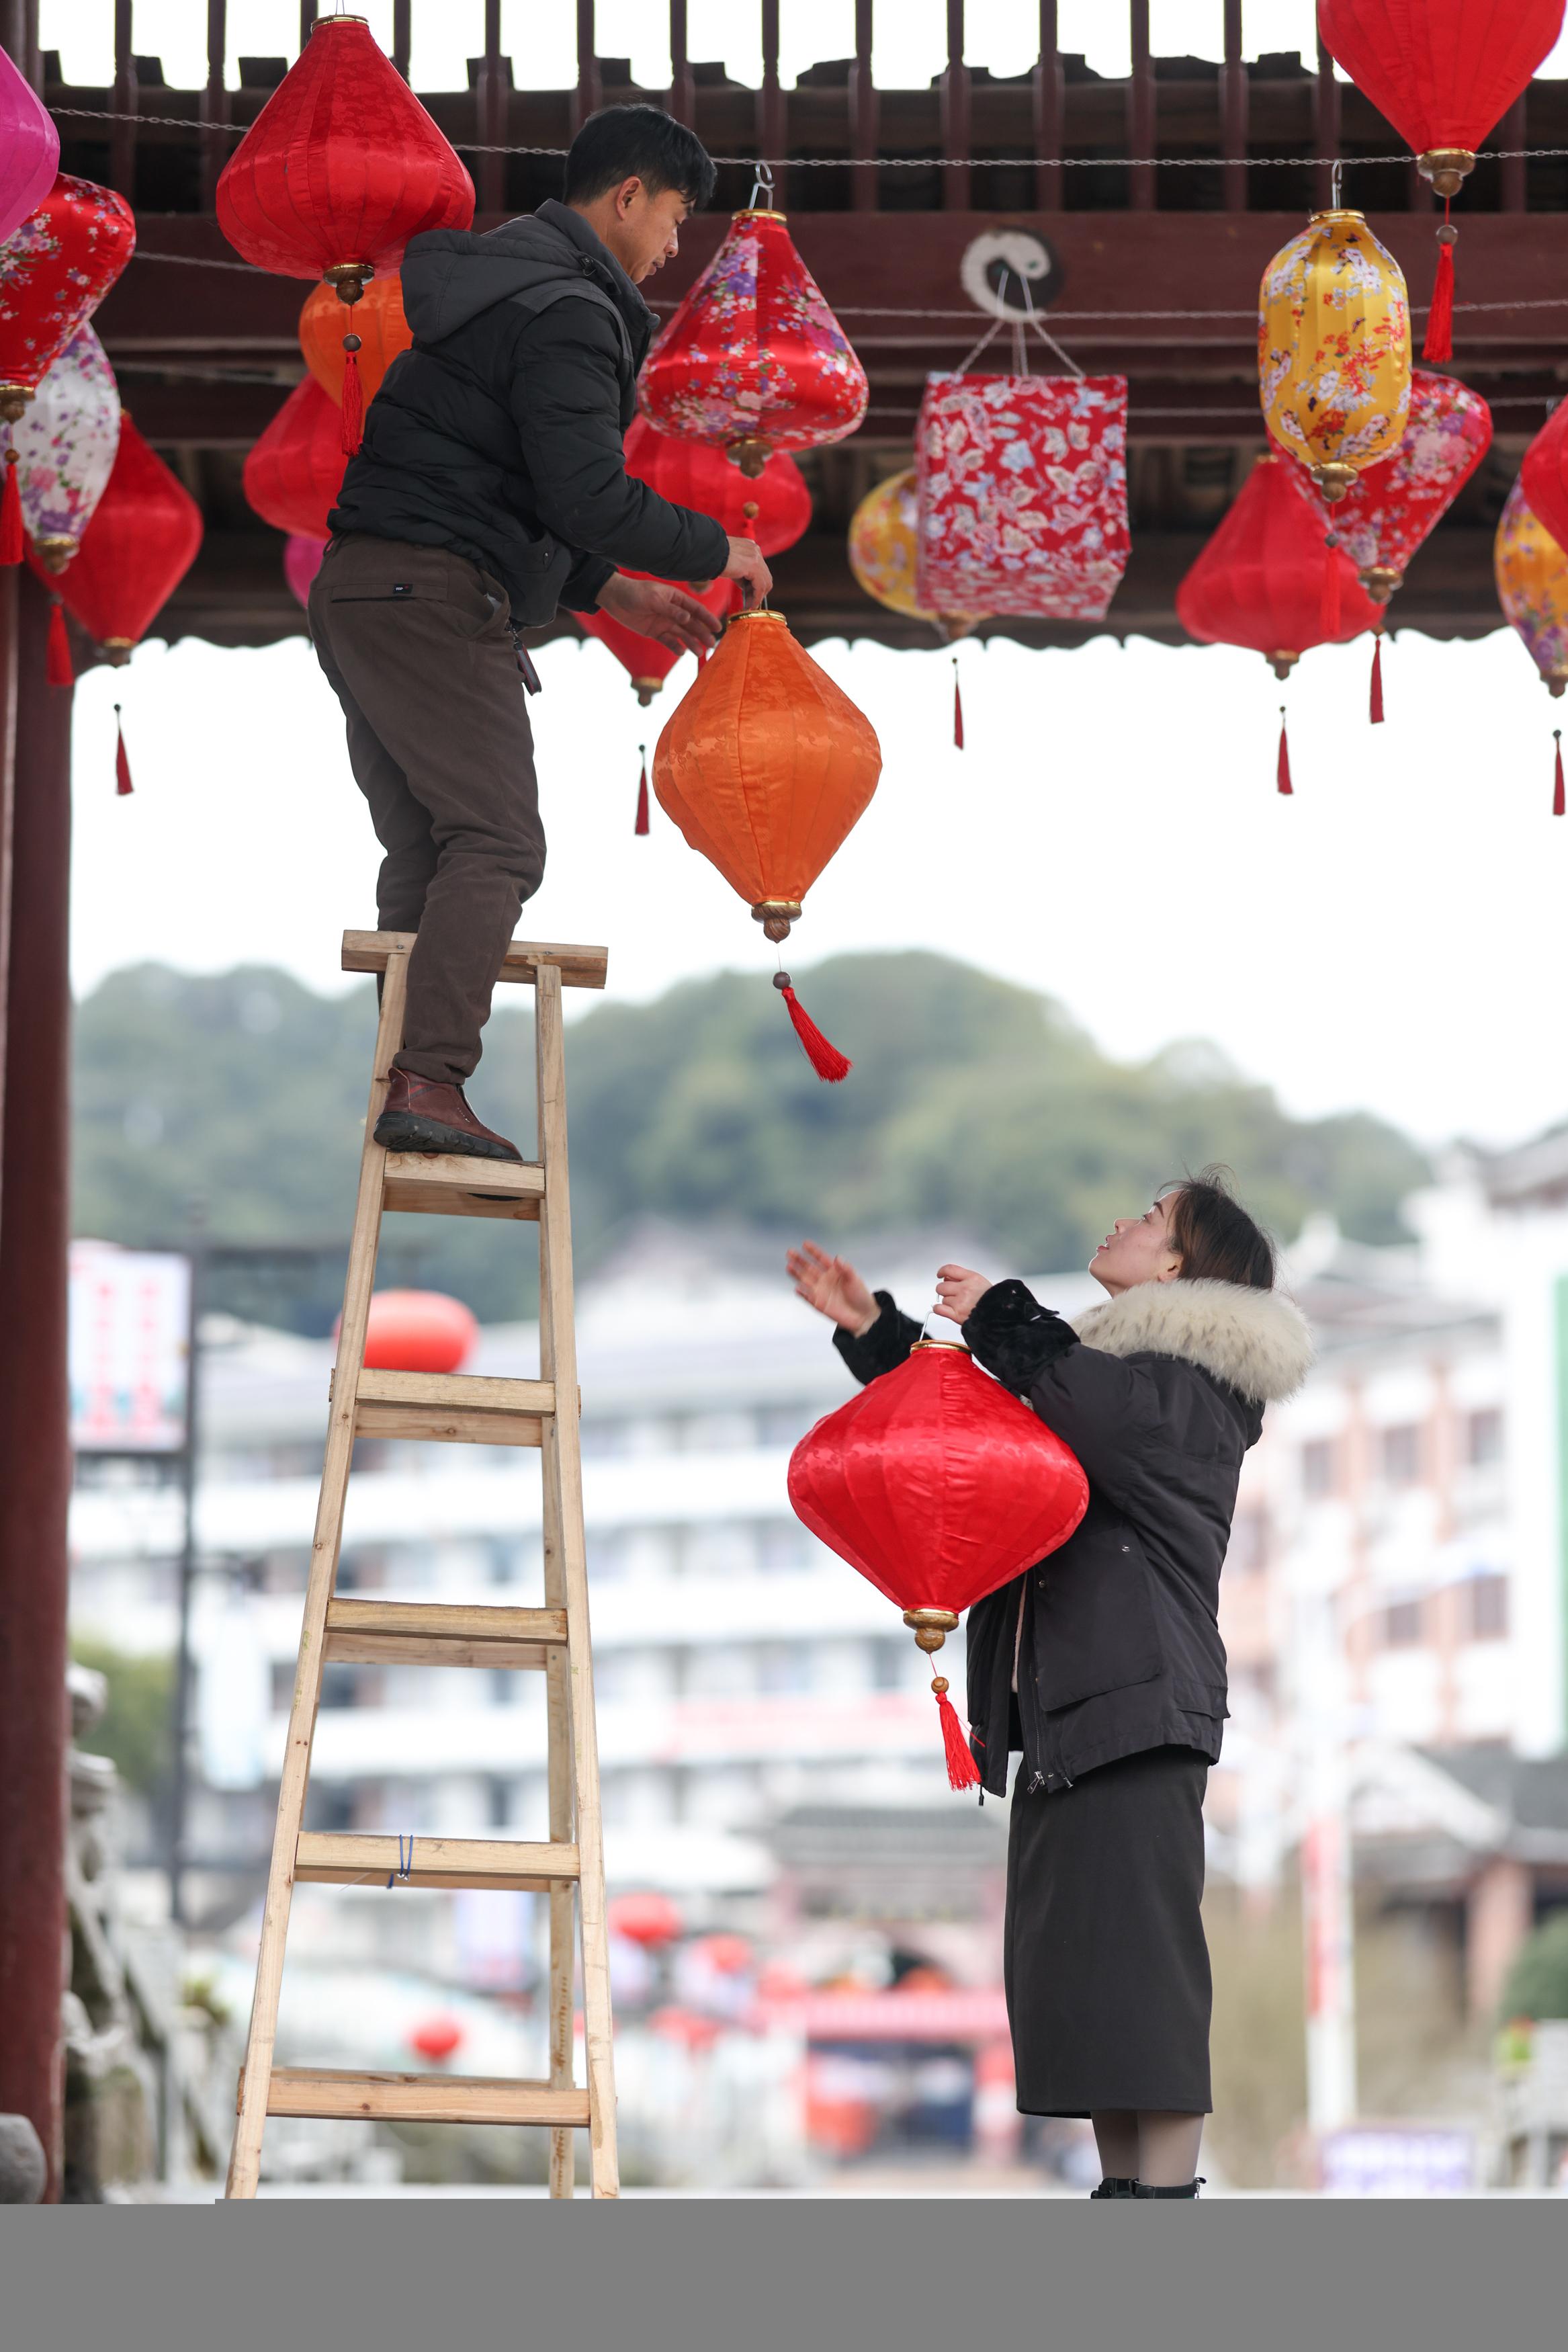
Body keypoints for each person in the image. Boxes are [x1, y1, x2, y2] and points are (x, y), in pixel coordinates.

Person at [787, 1169, 1312, 2199]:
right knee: (1090, 1994)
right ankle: (1128, 2203)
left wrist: (1001, 1314)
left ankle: (1156, 2209)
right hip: (1078, 1722)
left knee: (1143, 1988)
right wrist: (877, 1334)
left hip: (1134, 1714)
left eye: (1150, 1217)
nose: (1120, 1221)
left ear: (1177, 1265)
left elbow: (1086, 1408)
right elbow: (992, 1436)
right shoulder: (1105, 1377)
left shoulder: (1196, 1390)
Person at [310, 105, 773, 1163]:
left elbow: (515, 486)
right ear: (626, 196)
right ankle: (430, 1081)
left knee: (431, 847)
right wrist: (716, 552)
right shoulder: (570, 310)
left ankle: (407, 1073)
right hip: (429, 596)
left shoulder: (496, 289)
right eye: (673, 218)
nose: (671, 248)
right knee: (502, 843)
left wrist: (613, 591)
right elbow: (586, 493)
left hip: (367, 588)